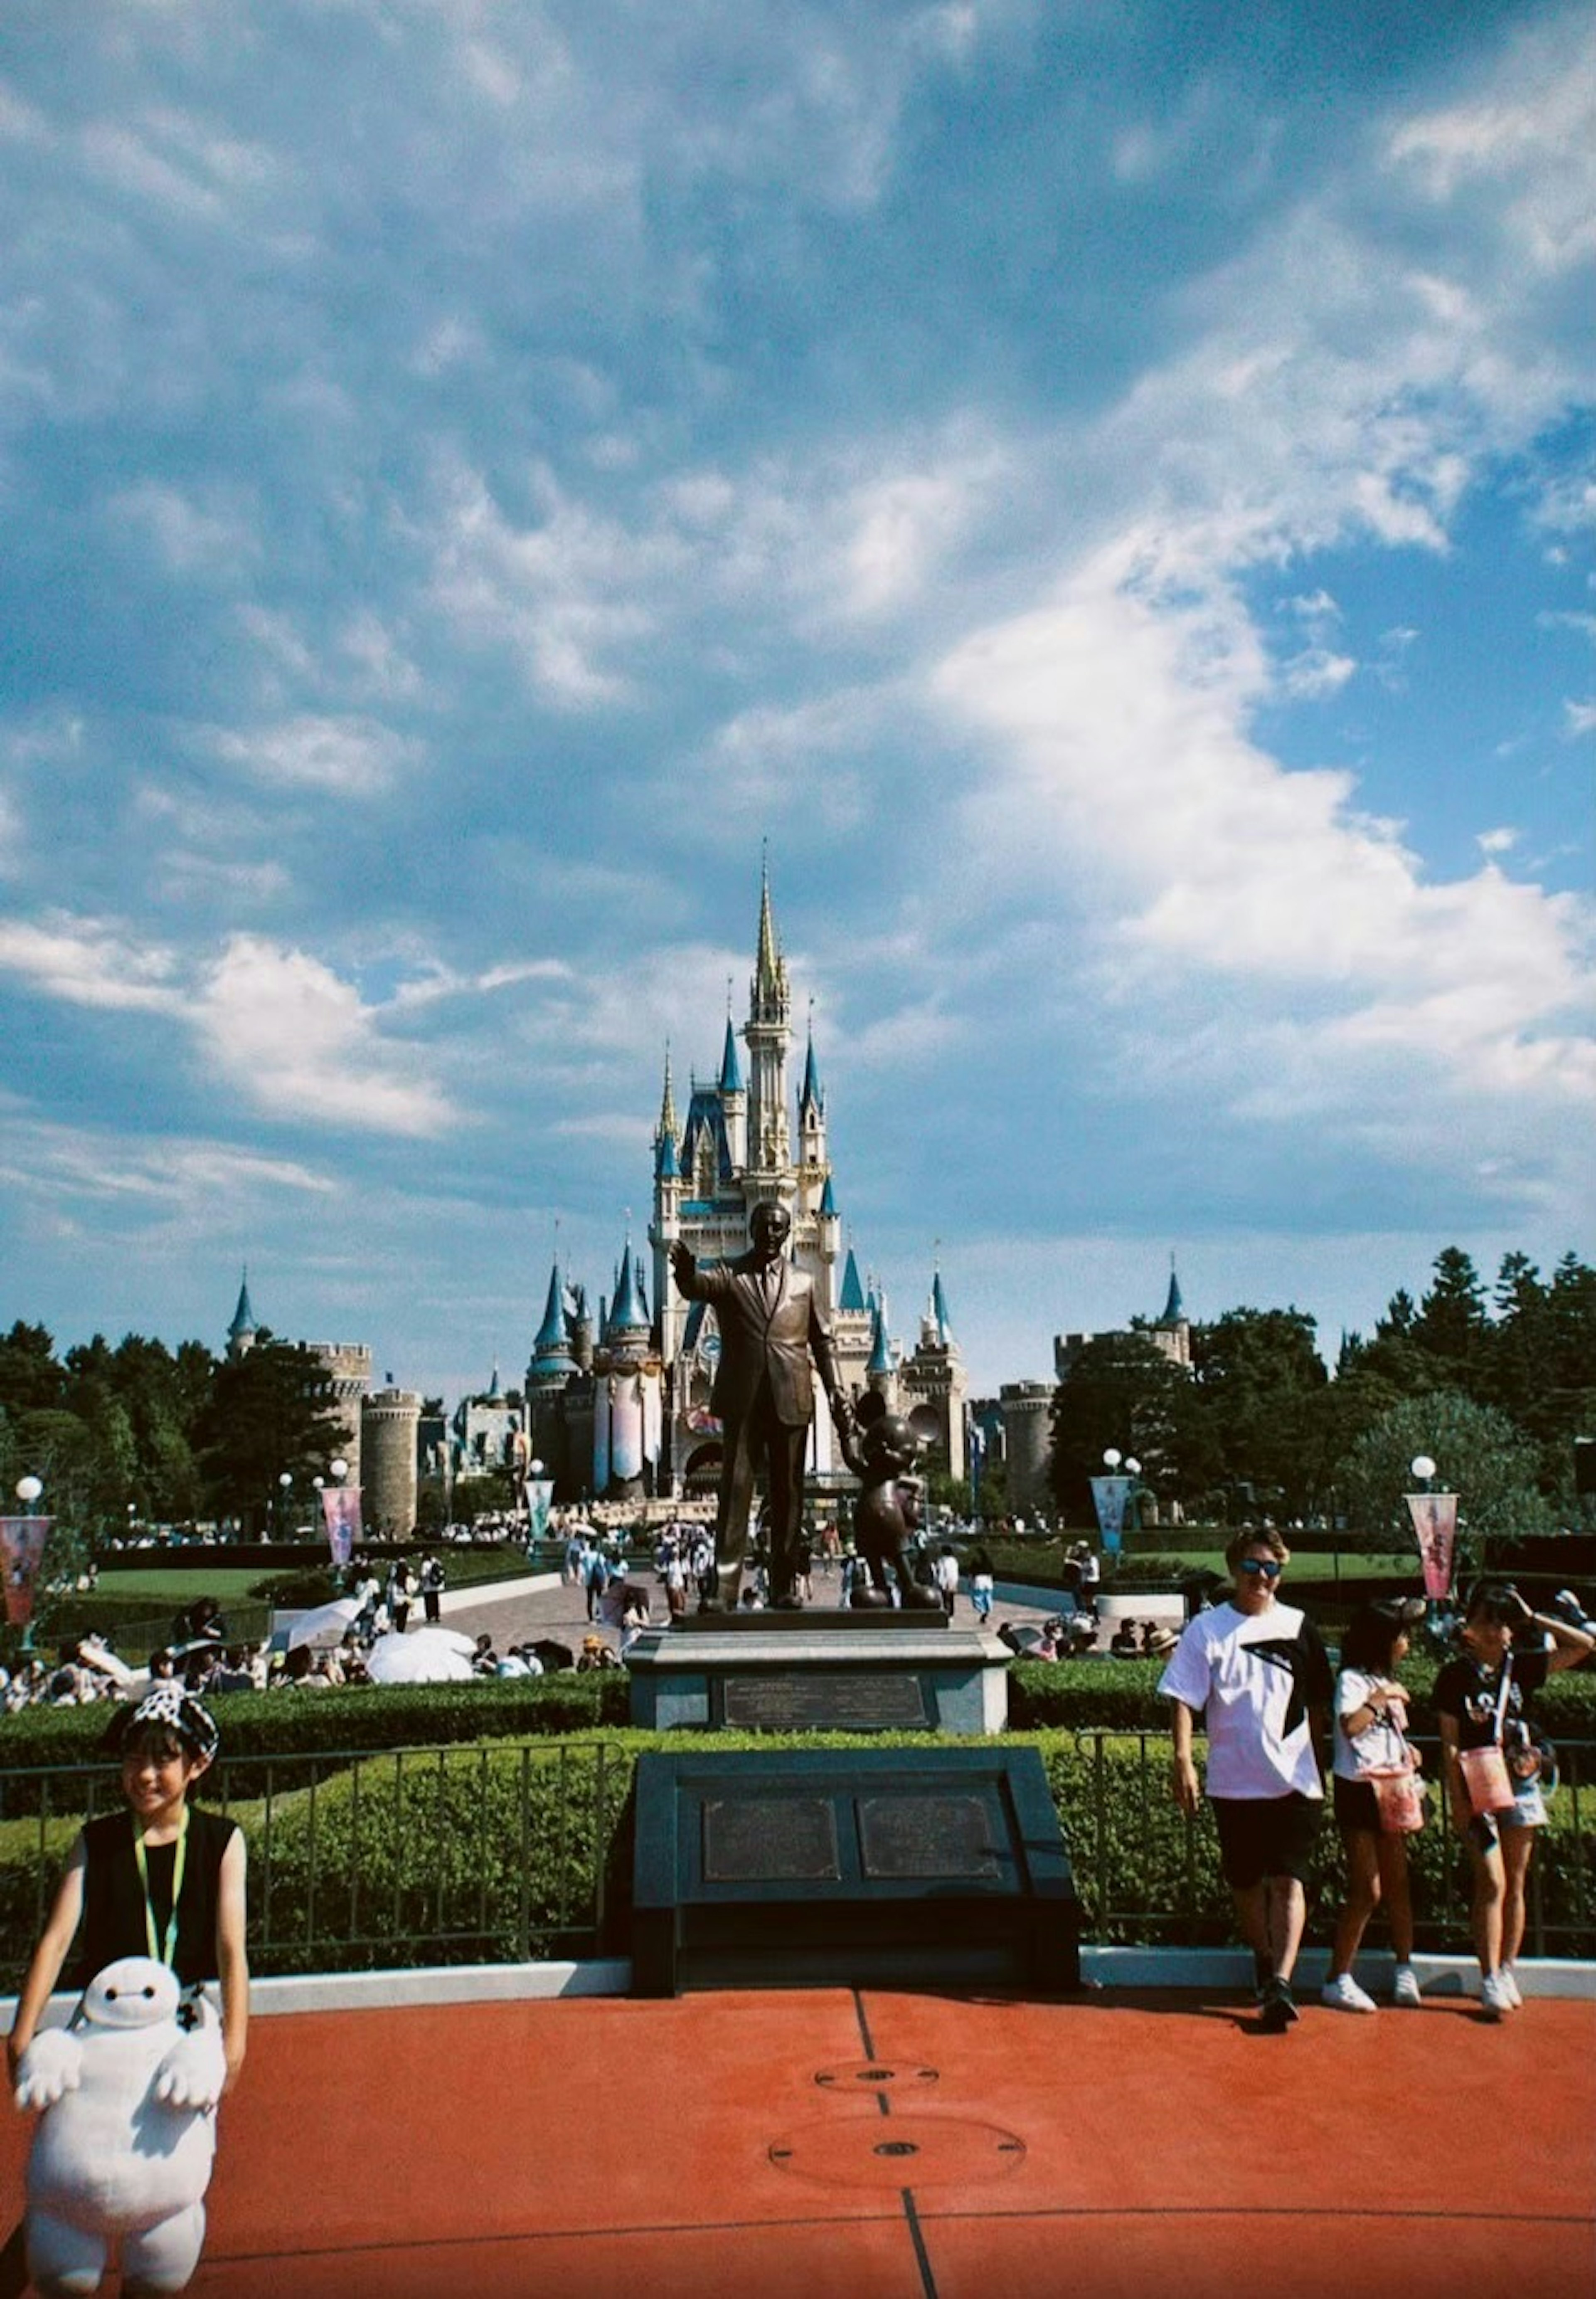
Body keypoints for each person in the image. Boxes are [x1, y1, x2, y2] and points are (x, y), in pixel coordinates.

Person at [7, 1687, 248, 2099]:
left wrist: (235, 2041)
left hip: (184, 2023)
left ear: (197, 1764)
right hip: (105, 2019)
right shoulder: (94, 1841)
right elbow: (57, 1939)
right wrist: (22, 2032)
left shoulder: (222, 1841)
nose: (146, 1774)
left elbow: (230, 1947)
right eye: (134, 1758)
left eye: (164, 1759)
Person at [1160, 1527, 1332, 2032]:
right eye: (1253, 1567)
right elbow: (1184, 1698)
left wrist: (1320, 1765)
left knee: (1288, 1880)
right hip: (1235, 1782)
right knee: (1245, 1881)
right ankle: (1263, 1955)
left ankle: (1281, 1981)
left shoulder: (1300, 1626)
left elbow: (1321, 1703)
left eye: (1272, 1568)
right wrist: (1183, 1760)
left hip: (1295, 1780)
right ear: (1236, 1569)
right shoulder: (1207, 1630)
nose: (1262, 1577)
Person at [670, 1200, 853, 1609]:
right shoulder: (730, 1274)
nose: (770, 1233)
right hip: (744, 1395)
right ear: (752, 1228)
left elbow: (823, 1340)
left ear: (788, 1233)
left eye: (778, 1227)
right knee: (735, 1488)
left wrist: (837, 1387)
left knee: (789, 1492)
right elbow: (695, 1288)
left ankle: (785, 1584)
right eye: (764, 1226)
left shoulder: (806, 1282)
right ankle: (724, 1588)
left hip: (791, 1394)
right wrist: (684, 1270)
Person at [1434, 1583, 1594, 2018]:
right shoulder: (1454, 1677)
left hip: (1520, 1782)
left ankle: (1507, 1968)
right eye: (1486, 1619)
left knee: (1516, 1882)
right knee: (1492, 1880)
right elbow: (1449, 1744)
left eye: (1502, 1622)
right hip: (1478, 1783)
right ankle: (1488, 1975)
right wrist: (1457, 1799)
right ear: (1469, 1625)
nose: (1494, 1630)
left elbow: (1584, 1645)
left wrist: (1532, 1615)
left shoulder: (1521, 1668)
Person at [1320, 1597, 1427, 2013]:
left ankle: (1405, 1966)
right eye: (1401, 1635)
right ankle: (1338, 1976)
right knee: (1369, 1887)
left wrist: (1409, 1750)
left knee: (1398, 1882)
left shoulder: (1385, 1681)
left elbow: (1383, 1734)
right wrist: (1380, 1697)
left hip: (1393, 1784)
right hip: (1360, 1790)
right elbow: (1352, 1725)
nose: (1407, 1642)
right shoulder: (1354, 1680)